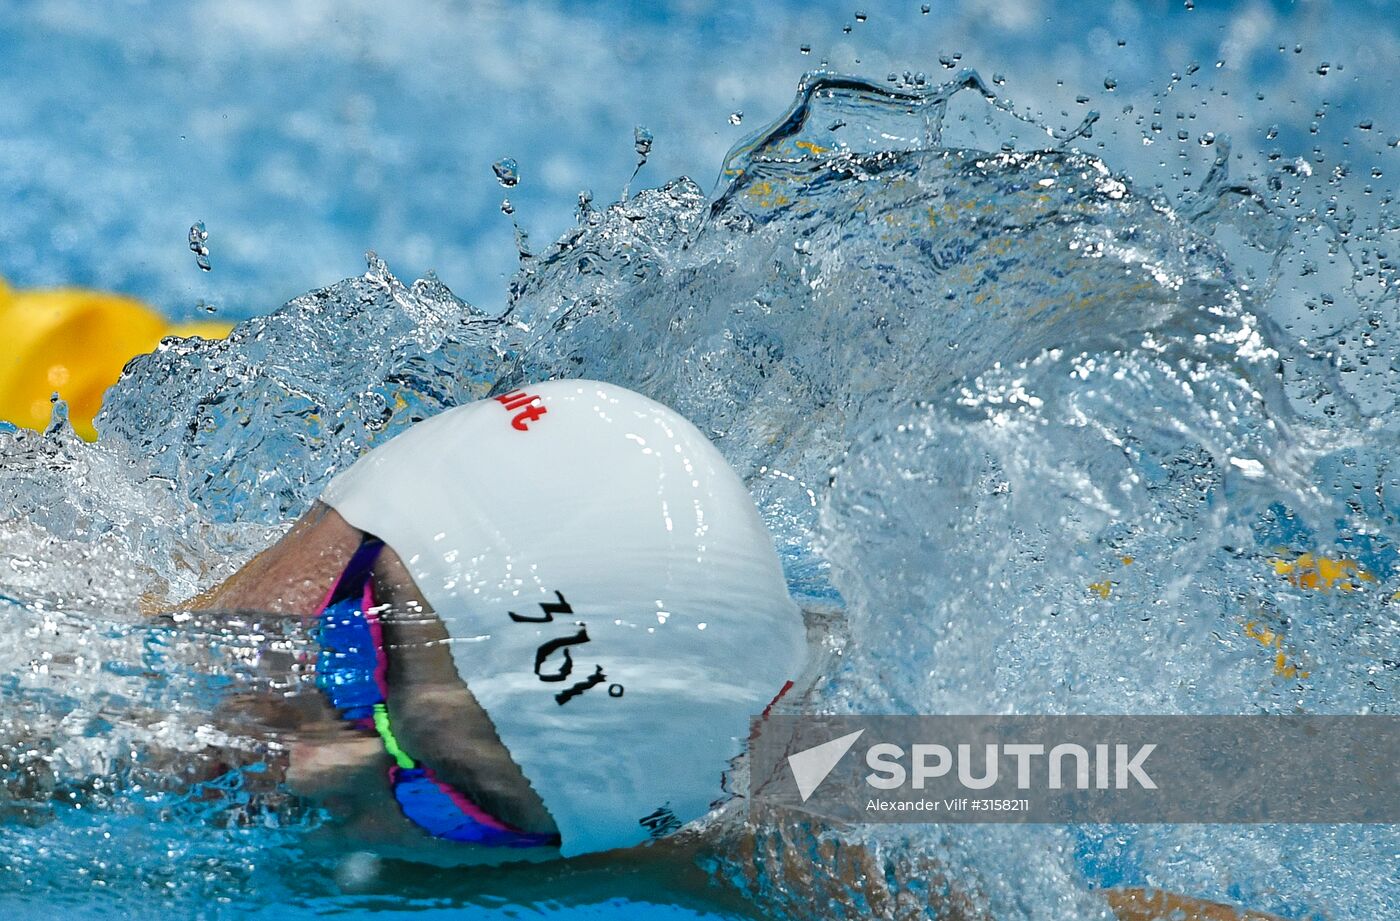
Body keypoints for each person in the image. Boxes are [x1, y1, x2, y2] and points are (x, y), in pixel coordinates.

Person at [192, 379, 1286, 921]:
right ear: (364, 509)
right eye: (348, 664)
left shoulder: (690, 810)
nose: (308, 771)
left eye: (455, 806)